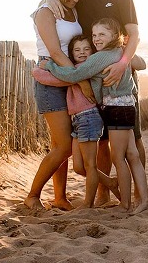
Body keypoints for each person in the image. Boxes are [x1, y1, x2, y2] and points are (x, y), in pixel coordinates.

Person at [43, 0, 145, 206]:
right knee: (102, 140)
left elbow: (134, 33)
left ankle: (137, 193)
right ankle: (103, 195)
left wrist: (124, 62)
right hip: (91, 72)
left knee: (133, 135)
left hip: (119, 71)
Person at [42, 18, 148, 214]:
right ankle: (144, 199)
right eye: (94, 35)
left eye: (102, 34)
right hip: (127, 105)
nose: (97, 39)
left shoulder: (100, 57)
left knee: (119, 157)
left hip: (116, 109)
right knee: (132, 154)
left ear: (115, 36)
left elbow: (74, 75)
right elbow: (139, 63)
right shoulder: (121, 51)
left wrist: (50, 66)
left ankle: (125, 205)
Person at [31, 34, 121, 208]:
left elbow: (53, 78)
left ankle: (87, 206)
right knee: (79, 167)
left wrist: (39, 70)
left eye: (86, 49)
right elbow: (65, 76)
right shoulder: (73, 69)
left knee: (89, 165)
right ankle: (110, 183)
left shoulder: (85, 69)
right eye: (77, 50)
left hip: (89, 118)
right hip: (77, 121)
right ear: (71, 53)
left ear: (92, 52)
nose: (82, 52)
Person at [25, 0, 85, 212]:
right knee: (65, 146)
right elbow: (56, 53)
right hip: (51, 77)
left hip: (68, 78)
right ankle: (32, 196)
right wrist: (82, 80)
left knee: (59, 144)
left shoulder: (72, 9)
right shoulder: (45, 11)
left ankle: (60, 197)